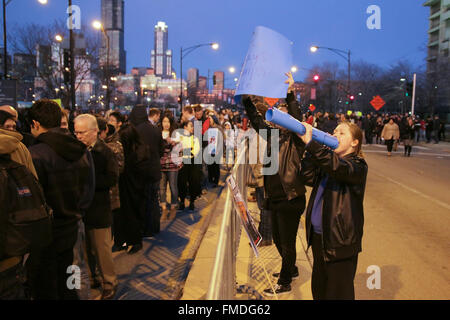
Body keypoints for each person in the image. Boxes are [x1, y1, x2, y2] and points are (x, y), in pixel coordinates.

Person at [242, 72, 307, 296]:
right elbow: (257, 121)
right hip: (277, 197)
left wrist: (290, 93)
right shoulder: (273, 136)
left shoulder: (296, 140)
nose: (277, 118)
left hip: (291, 197)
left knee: (286, 242)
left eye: (283, 115)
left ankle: (286, 281)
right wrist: (247, 101)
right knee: (279, 239)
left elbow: (298, 121)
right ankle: (292, 268)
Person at [27, 99, 94, 300]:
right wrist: (78, 213)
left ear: (36, 124)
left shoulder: (36, 155)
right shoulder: (79, 150)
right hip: (71, 225)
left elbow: (35, 200)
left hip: (47, 234)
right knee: (70, 278)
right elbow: (87, 187)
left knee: (47, 286)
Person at [297, 121, 368, 300]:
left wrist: (312, 145)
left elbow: (338, 169)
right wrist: (311, 152)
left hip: (339, 241)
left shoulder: (357, 165)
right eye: (334, 131)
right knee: (319, 290)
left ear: (355, 142)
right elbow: (307, 176)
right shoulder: (328, 161)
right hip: (320, 238)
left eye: (342, 133)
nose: (335, 135)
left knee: (338, 294)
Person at [74, 114, 119, 300]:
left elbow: (112, 178)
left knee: (102, 250)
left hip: (99, 208)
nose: (78, 136)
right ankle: (92, 279)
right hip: (82, 210)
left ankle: (109, 283)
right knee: (85, 250)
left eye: (82, 133)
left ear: (94, 132)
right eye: (75, 132)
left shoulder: (105, 151)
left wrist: (88, 183)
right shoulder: (76, 150)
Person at [128, 105, 163, 237]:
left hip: (140, 171)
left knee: (143, 200)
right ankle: (155, 226)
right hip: (154, 170)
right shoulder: (155, 129)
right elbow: (160, 150)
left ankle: (145, 228)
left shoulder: (135, 130)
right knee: (153, 199)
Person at [117, 124, 152, 254]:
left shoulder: (133, 153)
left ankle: (135, 241)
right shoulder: (142, 149)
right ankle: (133, 240)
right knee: (135, 213)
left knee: (132, 214)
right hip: (137, 187)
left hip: (132, 188)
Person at [97, 117, 125, 253]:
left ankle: (118, 242)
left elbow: (119, 168)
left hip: (113, 190)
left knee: (115, 218)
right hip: (102, 194)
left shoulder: (112, 147)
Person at [159, 115, 182, 220]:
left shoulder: (175, 134)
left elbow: (180, 148)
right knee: (162, 187)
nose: (166, 124)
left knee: (173, 186)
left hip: (172, 164)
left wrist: (173, 142)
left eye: (168, 122)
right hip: (161, 164)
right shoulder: (158, 133)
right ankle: (163, 207)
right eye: (164, 121)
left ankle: (173, 206)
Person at [177, 121, 201, 211]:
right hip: (182, 162)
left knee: (193, 182)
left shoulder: (195, 138)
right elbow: (177, 150)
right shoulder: (179, 138)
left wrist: (185, 150)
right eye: (191, 126)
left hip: (192, 162)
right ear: (185, 127)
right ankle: (182, 201)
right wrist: (187, 150)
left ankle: (192, 202)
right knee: (181, 183)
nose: (192, 128)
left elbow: (195, 151)